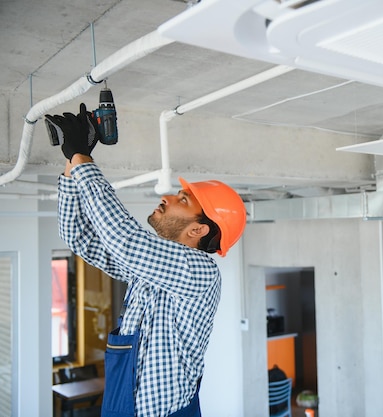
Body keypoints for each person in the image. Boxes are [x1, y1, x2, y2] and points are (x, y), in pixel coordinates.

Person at [48, 104, 246, 417]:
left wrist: (83, 160)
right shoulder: (149, 273)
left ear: (198, 229)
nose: (167, 197)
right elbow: (79, 238)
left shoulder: (201, 272)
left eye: (182, 200)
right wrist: (74, 160)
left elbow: (126, 242)